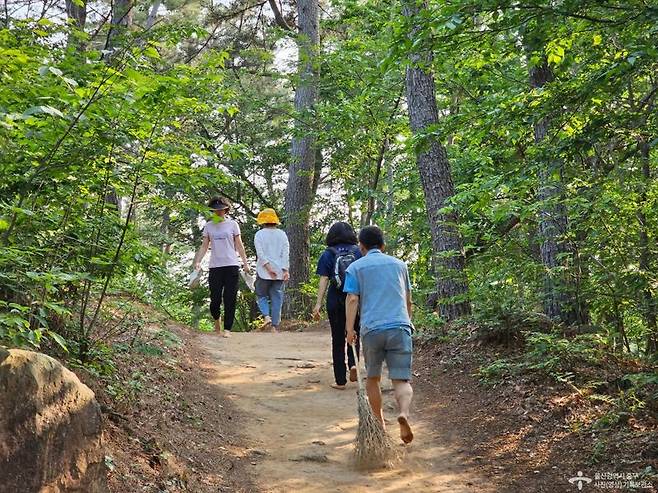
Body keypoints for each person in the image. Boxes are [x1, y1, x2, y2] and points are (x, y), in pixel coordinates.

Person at [344, 225, 414, 444]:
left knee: (372, 378)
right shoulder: (400, 265)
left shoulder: (356, 268)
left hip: (372, 329)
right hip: (400, 326)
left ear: (361, 246)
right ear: (383, 245)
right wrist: (408, 321)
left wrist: (349, 330)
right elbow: (408, 299)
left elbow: (352, 299)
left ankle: (379, 424)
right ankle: (403, 412)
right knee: (401, 380)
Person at [313, 222, 361, 390]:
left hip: (335, 299)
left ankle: (340, 380)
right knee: (354, 332)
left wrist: (318, 304)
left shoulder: (328, 253)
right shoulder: (358, 252)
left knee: (337, 338)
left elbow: (324, 279)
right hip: (355, 298)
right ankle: (353, 364)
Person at [193, 196, 251, 337]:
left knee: (230, 297)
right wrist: (198, 261)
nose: (218, 213)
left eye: (221, 210)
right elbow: (204, 245)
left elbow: (239, 244)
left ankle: (227, 329)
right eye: (215, 210)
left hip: (231, 265)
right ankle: (217, 319)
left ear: (226, 210)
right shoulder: (209, 226)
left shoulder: (233, 225)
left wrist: (245, 262)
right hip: (215, 266)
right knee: (215, 299)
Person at [254, 208, 289, 332]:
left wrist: (268, 268)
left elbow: (260, 254)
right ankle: (274, 326)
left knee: (261, 295)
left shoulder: (259, 234)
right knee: (277, 298)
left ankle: (267, 316)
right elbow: (286, 253)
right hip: (279, 272)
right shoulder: (282, 234)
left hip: (263, 272)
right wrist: (285, 270)